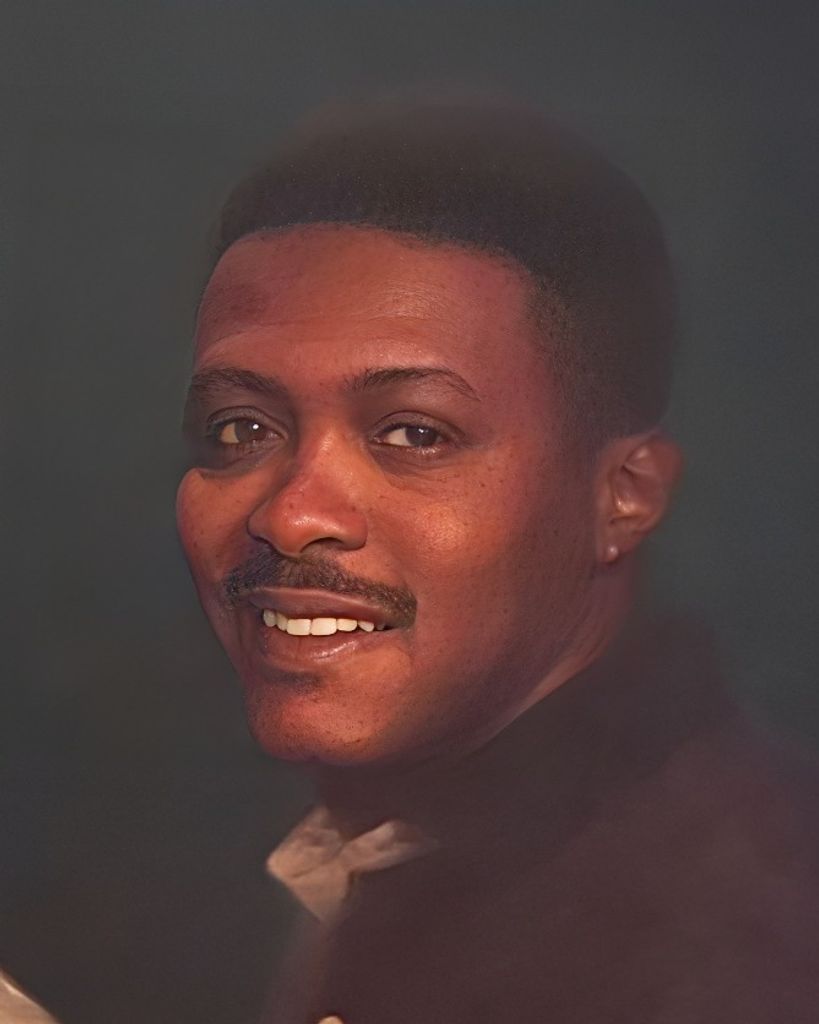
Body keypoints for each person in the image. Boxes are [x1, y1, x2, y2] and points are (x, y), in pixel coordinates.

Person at [175, 102, 819, 1023]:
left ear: (623, 495)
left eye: (413, 433)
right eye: (241, 430)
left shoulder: (742, 942)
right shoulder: (368, 836)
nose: (290, 513)